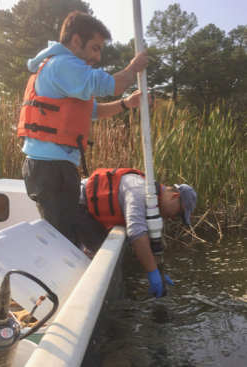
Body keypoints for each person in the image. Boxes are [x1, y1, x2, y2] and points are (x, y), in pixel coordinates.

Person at [18, 11, 148, 247]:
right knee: (62, 238)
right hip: (50, 168)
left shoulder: (62, 68)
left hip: (52, 166)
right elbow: (112, 84)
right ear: (76, 41)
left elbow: (92, 111)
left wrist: (125, 104)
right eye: (95, 48)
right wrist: (133, 67)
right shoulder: (64, 64)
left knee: (66, 232)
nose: (98, 56)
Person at [78, 168, 197, 298]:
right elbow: (136, 233)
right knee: (99, 250)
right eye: (179, 213)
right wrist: (152, 271)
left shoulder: (154, 208)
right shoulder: (139, 190)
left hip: (90, 213)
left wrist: (159, 270)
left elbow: (152, 242)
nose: (175, 217)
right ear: (175, 197)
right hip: (76, 202)